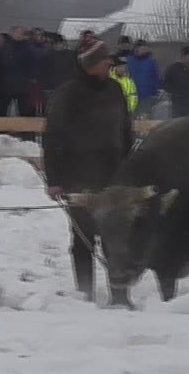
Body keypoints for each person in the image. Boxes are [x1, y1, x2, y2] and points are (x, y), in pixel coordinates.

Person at [42, 41, 134, 305]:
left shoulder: (116, 90)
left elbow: (126, 131)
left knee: (115, 235)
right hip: (77, 176)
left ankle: (120, 294)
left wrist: (128, 167)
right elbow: (53, 138)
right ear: (91, 65)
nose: (111, 66)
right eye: (106, 63)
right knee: (83, 237)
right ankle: (85, 293)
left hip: (113, 176)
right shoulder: (68, 93)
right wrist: (55, 180)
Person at [163, 47, 189, 118]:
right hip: (178, 101)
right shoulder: (173, 68)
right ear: (184, 57)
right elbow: (166, 83)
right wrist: (173, 92)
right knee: (178, 123)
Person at [126, 40, 162, 117]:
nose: (140, 49)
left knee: (144, 118)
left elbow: (156, 78)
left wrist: (156, 92)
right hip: (131, 96)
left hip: (146, 97)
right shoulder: (129, 61)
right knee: (130, 118)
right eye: (138, 47)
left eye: (143, 47)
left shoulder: (151, 62)